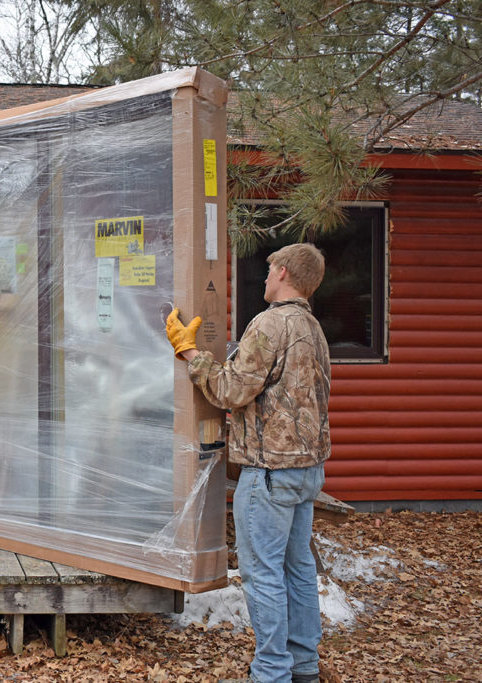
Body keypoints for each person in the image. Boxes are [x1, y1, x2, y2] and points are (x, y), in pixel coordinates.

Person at [165, 242, 330, 683]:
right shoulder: (311, 326)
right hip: (305, 469)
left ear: (283, 273)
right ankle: (303, 667)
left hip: (270, 472)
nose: (263, 276)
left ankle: (272, 673)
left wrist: (189, 354)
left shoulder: (270, 323)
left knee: (263, 575)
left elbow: (231, 392)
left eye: (269, 268)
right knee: (297, 569)